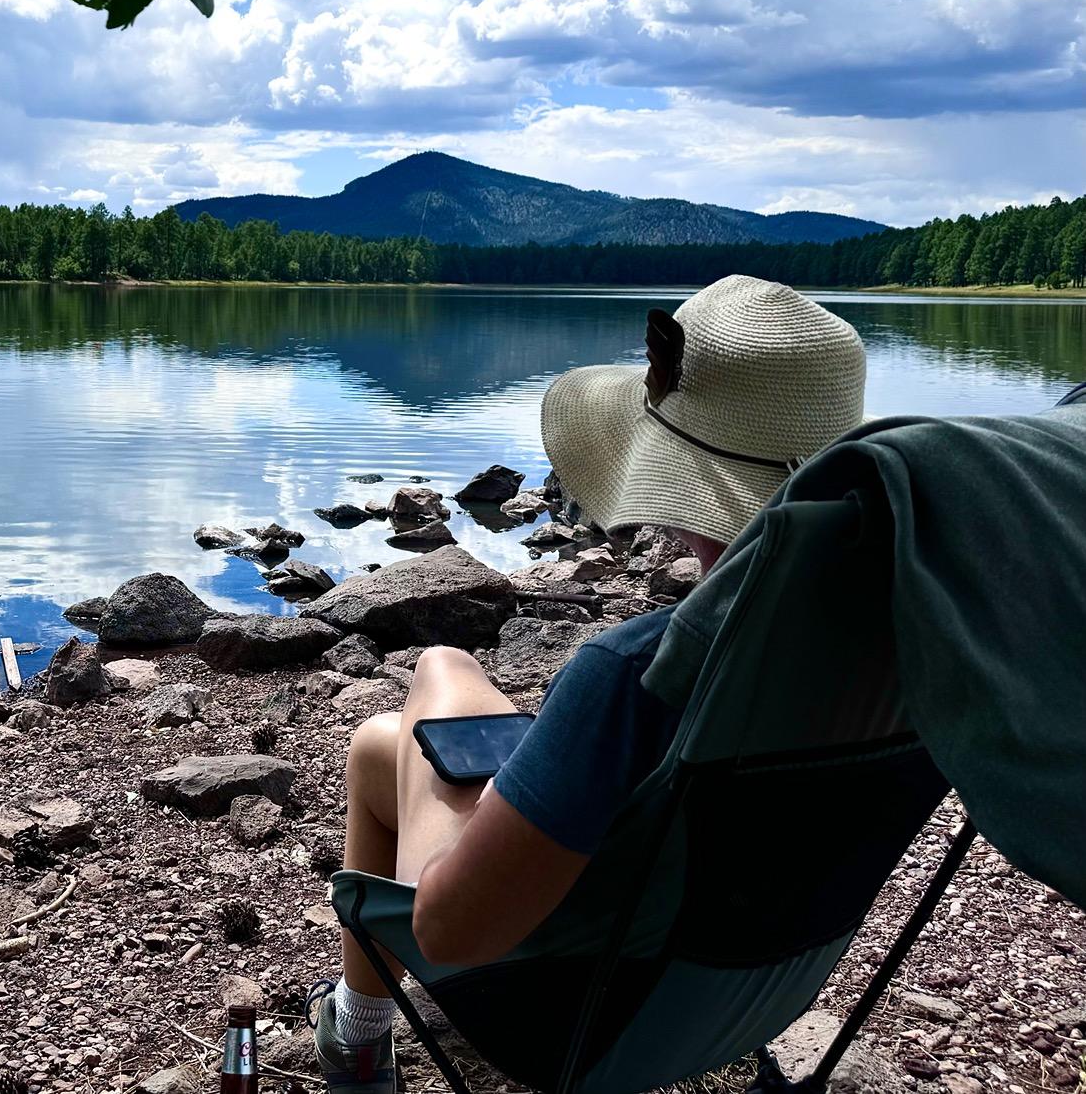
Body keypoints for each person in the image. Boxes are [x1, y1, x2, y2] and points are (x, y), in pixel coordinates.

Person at [309, 275, 868, 1091]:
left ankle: (357, 1038)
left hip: (572, 1013)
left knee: (438, 671)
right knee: (381, 745)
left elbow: (451, 931)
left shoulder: (641, 670)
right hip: (750, 992)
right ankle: (354, 1031)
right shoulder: (889, 654)